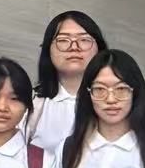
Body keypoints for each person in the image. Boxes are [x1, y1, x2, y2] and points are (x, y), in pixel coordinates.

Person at [29, 10, 106, 154]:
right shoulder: (32, 103)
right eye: (63, 40)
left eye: (84, 40)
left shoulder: (117, 102)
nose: (74, 47)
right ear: (47, 49)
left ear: (99, 49)